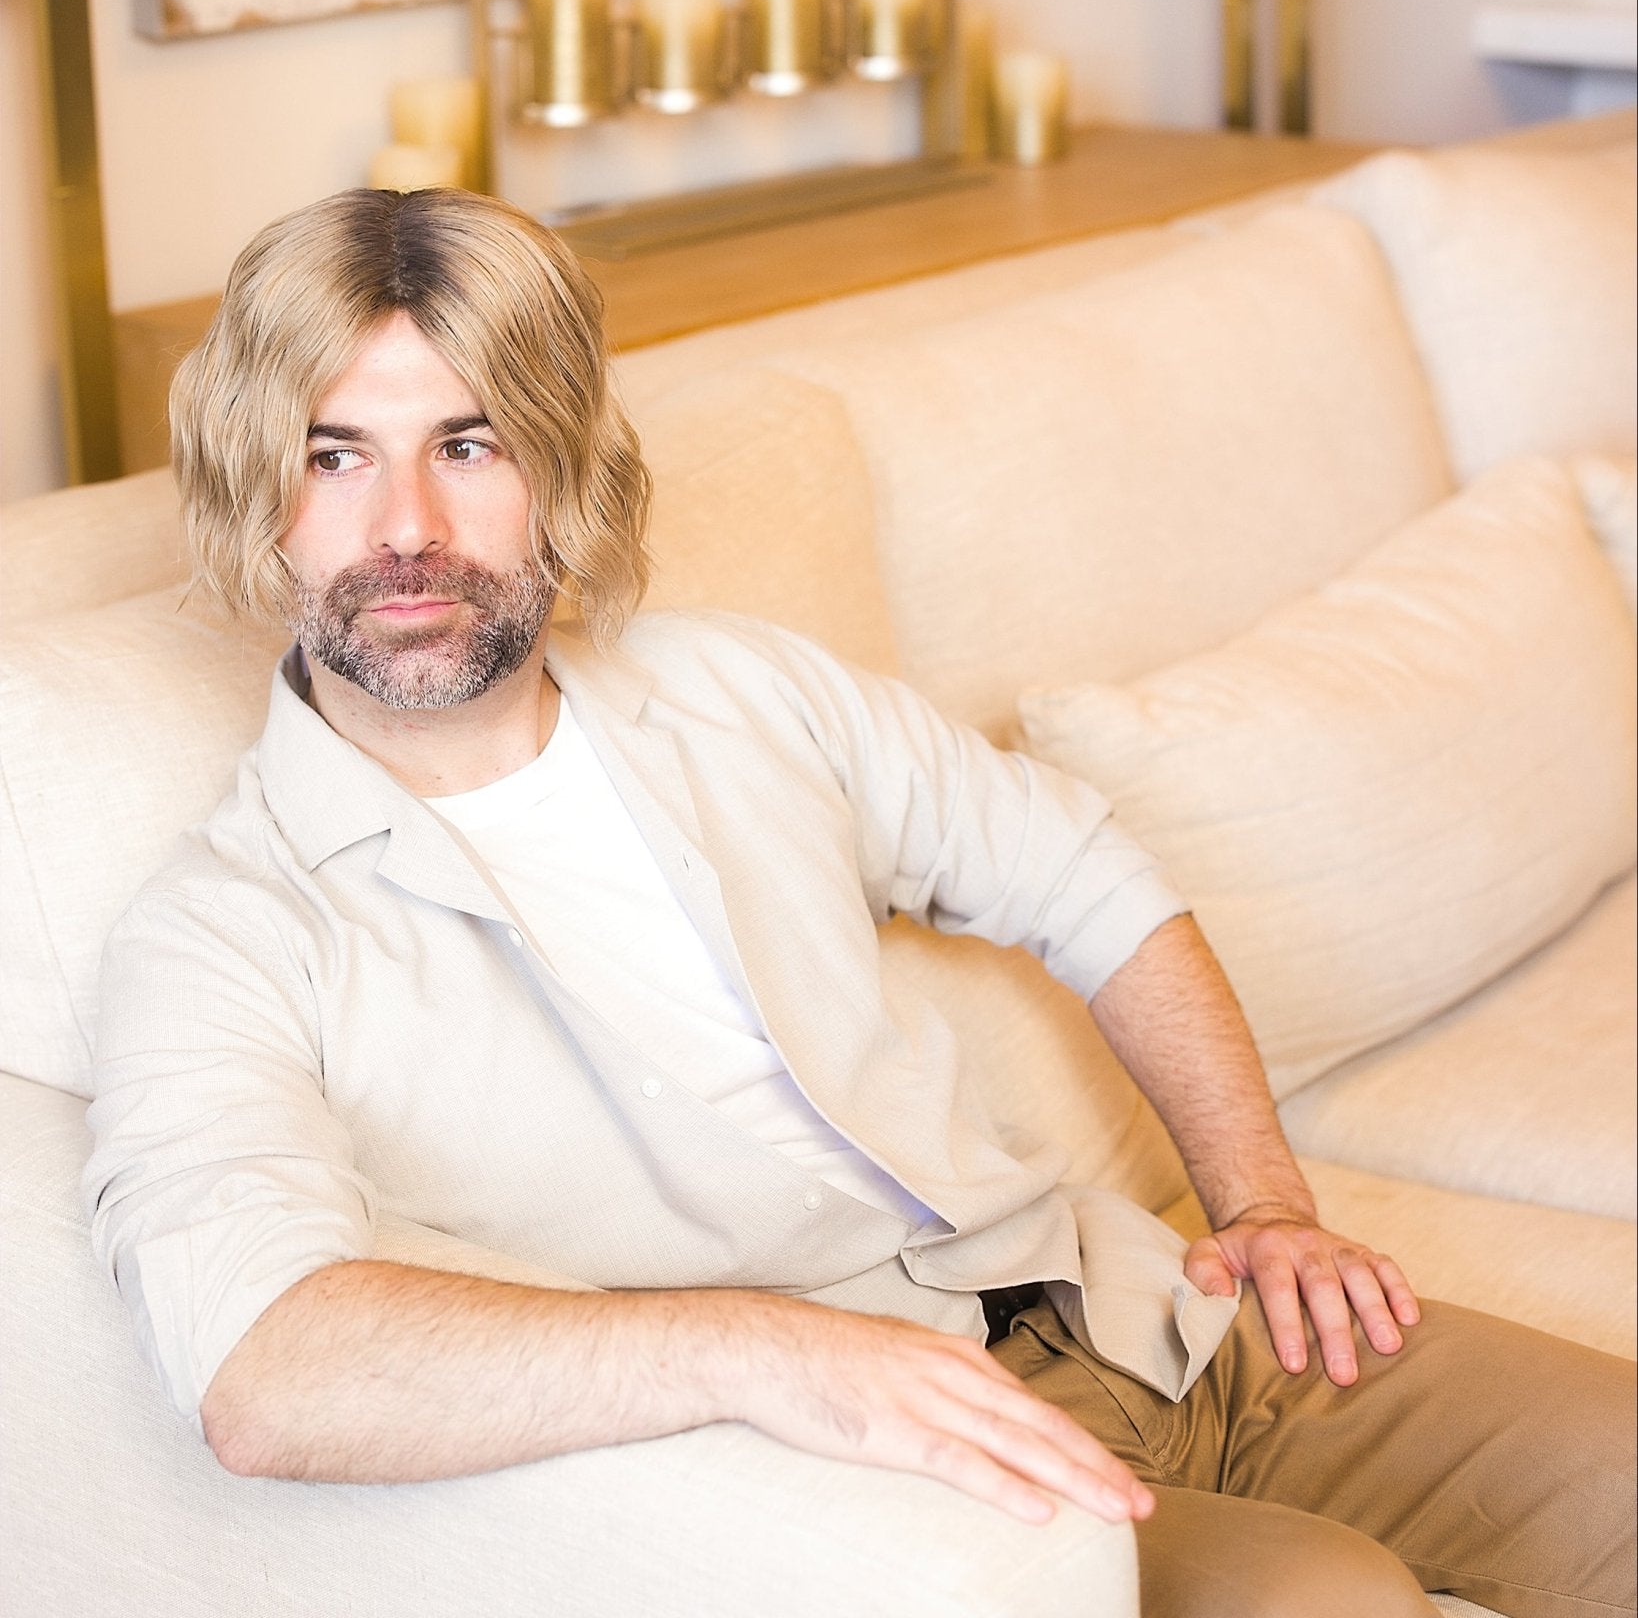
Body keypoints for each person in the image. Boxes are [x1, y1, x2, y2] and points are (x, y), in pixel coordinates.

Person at [85, 188, 1633, 1618]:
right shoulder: (225, 932)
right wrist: (758, 1351)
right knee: (1322, 1601)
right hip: (894, 1478)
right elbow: (259, 1370)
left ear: (558, 470)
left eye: (470, 445)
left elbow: (1085, 877)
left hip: (1134, 1303)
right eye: (334, 454)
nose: (406, 527)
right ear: (258, 494)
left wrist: (1263, 1203)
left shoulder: (741, 690)